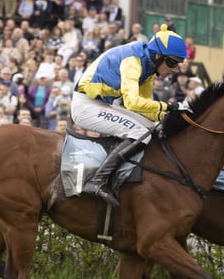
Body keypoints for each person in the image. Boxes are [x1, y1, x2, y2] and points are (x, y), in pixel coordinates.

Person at [71, 24, 187, 206]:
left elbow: (146, 109)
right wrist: (167, 106)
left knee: (150, 127)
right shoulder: (134, 62)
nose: (175, 69)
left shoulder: (149, 66)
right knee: (139, 133)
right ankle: (97, 181)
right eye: (172, 63)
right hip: (85, 106)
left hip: (102, 103)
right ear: (158, 56)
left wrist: (168, 116)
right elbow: (132, 102)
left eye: (178, 64)